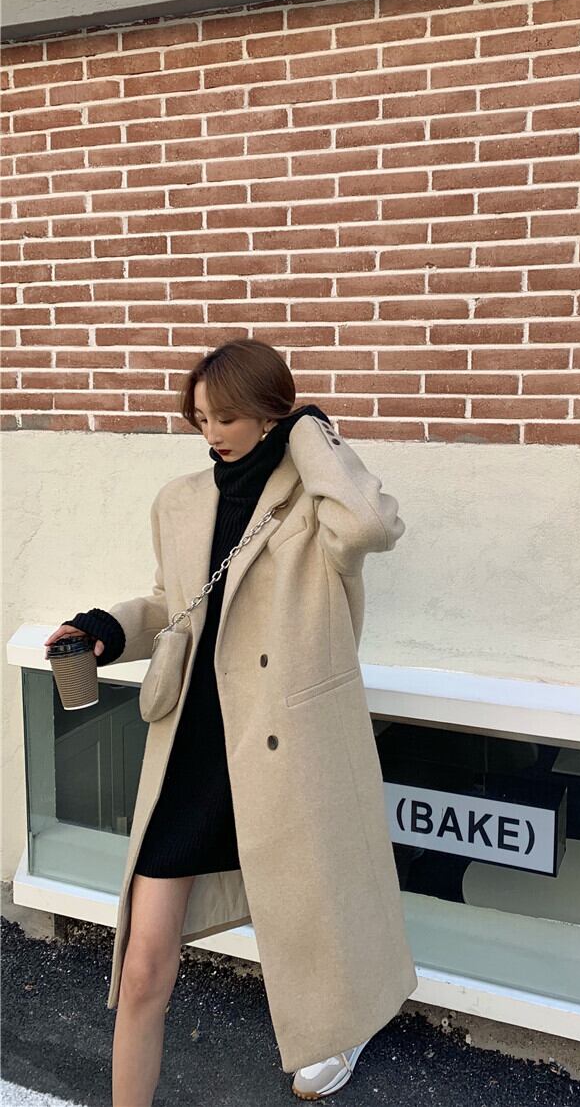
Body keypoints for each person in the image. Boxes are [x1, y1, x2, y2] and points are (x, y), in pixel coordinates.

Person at [44, 338, 415, 1104]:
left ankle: (335, 1032)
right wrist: (105, 630)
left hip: (284, 748)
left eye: (228, 418)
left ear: (270, 414)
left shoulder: (315, 501)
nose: (211, 434)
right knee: (142, 967)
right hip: (192, 754)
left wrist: (311, 431)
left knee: (313, 926)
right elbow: (169, 603)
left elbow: (369, 527)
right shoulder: (180, 502)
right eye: (201, 419)